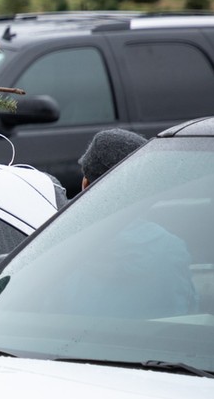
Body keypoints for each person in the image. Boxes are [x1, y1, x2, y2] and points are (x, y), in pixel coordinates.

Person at [67, 128, 198, 317]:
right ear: (142, 190)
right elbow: (185, 314)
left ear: (85, 185)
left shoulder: (57, 245)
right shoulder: (170, 248)